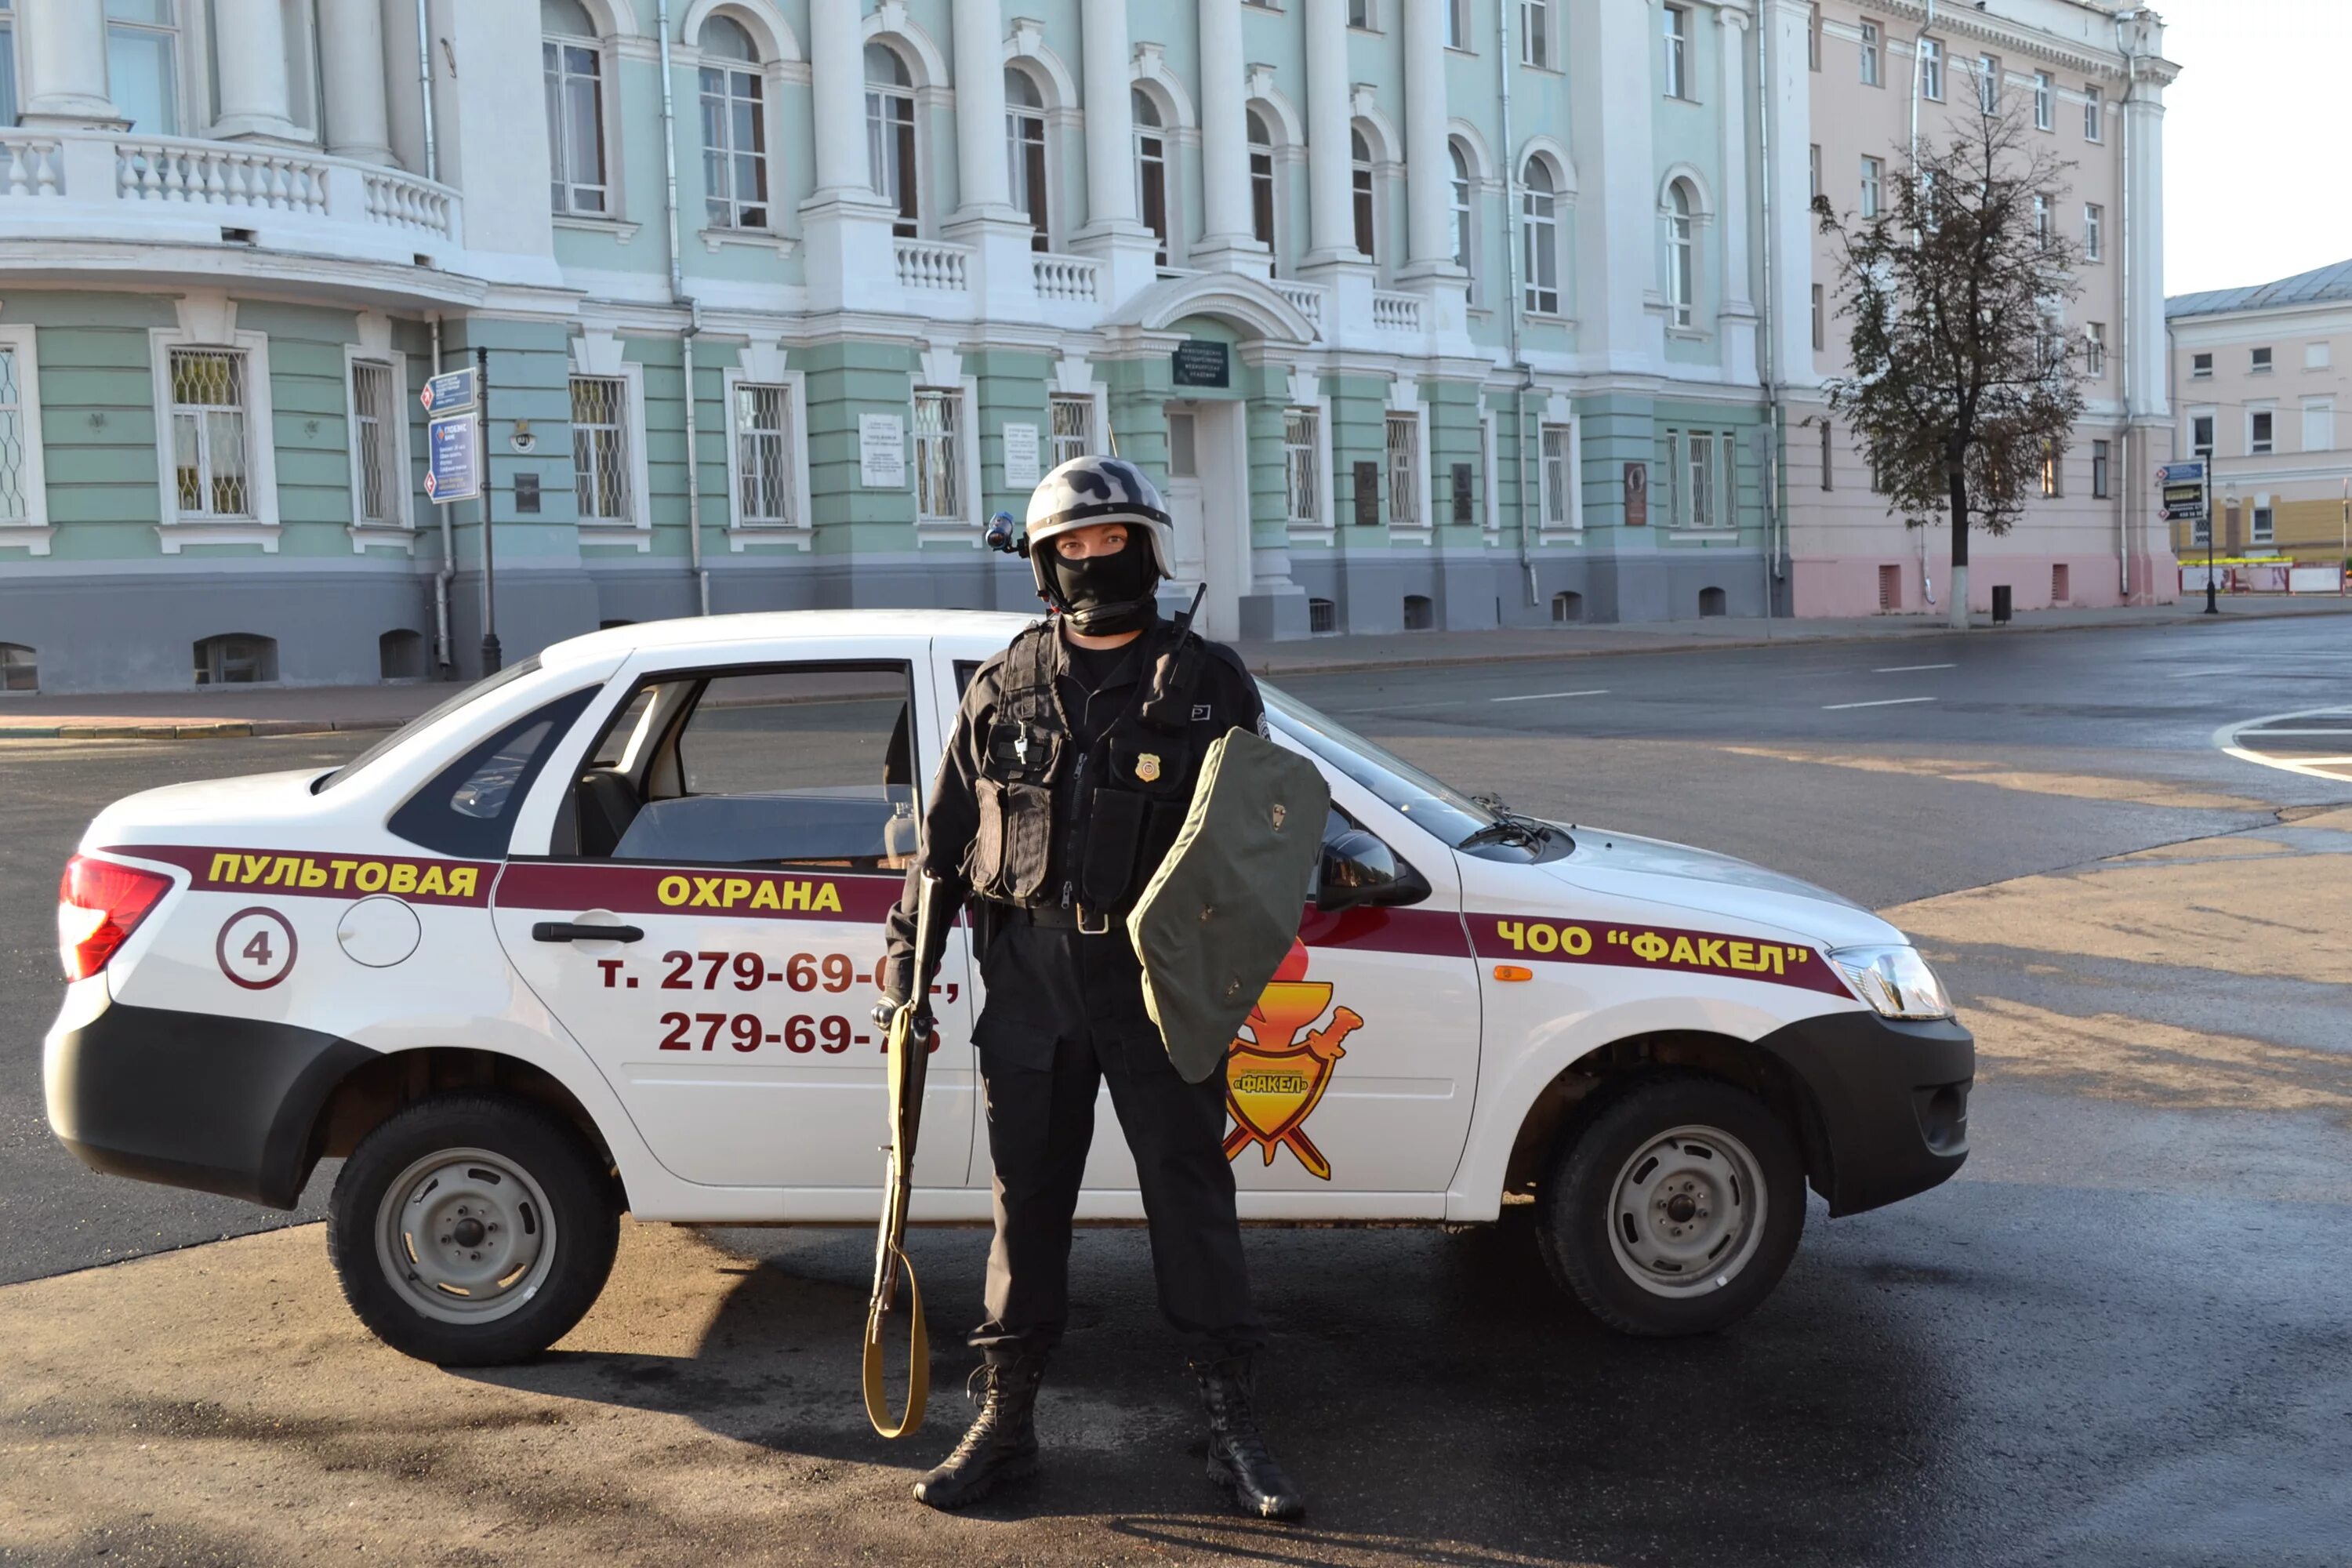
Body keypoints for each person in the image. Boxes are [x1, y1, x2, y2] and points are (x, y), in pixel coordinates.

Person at [877, 455, 1305, 1520]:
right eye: (1069, 545)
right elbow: (938, 850)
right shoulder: (1002, 685)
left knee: (1191, 1201)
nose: (1090, 561)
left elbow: (1261, 847)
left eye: (1110, 541)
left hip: (1160, 989)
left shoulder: (1208, 686)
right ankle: (1007, 1424)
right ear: (1040, 563)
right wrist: (906, 977)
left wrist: (1232, 974)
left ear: (1149, 552)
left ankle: (1229, 1425)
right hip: (1029, 981)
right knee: (1028, 1211)